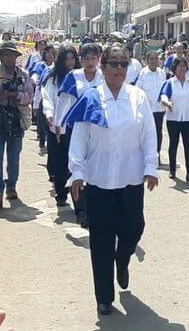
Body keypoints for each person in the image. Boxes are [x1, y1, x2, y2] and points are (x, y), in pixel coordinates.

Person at [65, 44, 159, 316]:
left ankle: (123, 259)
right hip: (99, 182)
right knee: (101, 240)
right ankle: (104, 297)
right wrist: (77, 174)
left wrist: (151, 166)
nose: (119, 69)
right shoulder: (91, 98)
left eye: (124, 64)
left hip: (131, 181)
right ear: (103, 67)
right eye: (114, 64)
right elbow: (79, 138)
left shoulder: (138, 97)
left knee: (133, 229)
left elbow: (149, 135)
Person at [0, 41, 34, 209]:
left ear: (16, 57)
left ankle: (11, 186)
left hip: (16, 120)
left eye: (11, 55)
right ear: (1, 57)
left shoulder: (24, 75)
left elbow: (29, 97)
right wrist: (1, 87)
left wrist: (16, 94)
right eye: (5, 55)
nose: (8, 58)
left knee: (14, 158)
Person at [57, 43, 104, 226]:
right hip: (75, 128)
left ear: (99, 59)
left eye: (93, 58)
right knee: (77, 167)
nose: (90, 62)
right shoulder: (74, 76)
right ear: (81, 60)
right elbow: (63, 101)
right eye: (86, 59)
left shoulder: (104, 75)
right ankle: (80, 210)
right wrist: (58, 125)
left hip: (99, 129)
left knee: (95, 168)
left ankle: (93, 208)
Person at [42, 44, 79, 205]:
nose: (70, 62)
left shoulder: (81, 76)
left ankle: (76, 196)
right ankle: (61, 193)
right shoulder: (53, 77)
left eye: (73, 58)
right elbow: (47, 97)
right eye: (66, 59)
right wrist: (49, 113)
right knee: (58, 161)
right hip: (55, 125)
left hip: (75, 127)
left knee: (74, 161)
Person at [160, 57, 189, 181]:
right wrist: (167, 103)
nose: (182, 68)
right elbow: (164, 95)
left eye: (184, 66)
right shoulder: (170, 82)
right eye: (179, 66)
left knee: (188, 145)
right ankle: (173, 169)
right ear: (174, 68)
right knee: (173, 144)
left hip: (187, 119)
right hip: (173, 119)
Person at [136, 51, 167, 165]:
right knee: (147, 132)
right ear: (147, 60)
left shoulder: (162, 73)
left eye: (156, 58)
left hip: (159, 108)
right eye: (151, 59)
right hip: (147, 109)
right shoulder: (143, 73)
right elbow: (138, 90)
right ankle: (145, 155)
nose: (154, 61)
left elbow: (165, 88)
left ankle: (156, 155)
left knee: (158, 132)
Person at [32, 44, 56, 155]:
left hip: (54, 100)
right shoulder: (41, 65)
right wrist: (36, 79)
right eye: (48, 52)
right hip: (42, 96)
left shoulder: (58, 67)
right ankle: (42, 142)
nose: (50, 55)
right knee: (41, 123)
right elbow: (35, 77)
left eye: (52, 53)